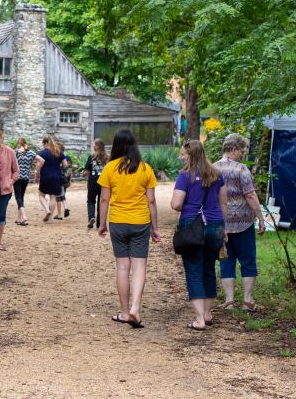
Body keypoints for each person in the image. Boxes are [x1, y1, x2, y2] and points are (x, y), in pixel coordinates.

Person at [98, 129, 159, 328]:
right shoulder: (145, 169)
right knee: (140, 266)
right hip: (141, 222)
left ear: (115, 145)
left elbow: (105, 198)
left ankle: (125, 312)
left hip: (118, 222)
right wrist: (154, 227)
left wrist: (102, 223)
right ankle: (135, 308)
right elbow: (151, 201)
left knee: (123, 267)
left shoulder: (110, 168)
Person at [171, 139, 228, 331]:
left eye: (184, 154)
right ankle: (207, 313)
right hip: (216, 225)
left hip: (192, 225)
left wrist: (189, 204)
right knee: (209, 268)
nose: (181, 157)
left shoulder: (185, 176)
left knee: (194, 270)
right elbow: (223, 203)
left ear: (191, 155)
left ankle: (199, 319)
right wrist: (224, 229)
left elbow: (176, 204)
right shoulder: (217, 175)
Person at [215, 133, 266, 312]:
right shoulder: (241, 169)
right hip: (243, 223)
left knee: (226, 260)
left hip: (221, 223)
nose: (243, 154)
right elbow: (250, 195)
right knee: (248, 260)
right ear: (234, 149)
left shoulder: (212, 168)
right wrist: (260, 218)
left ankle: (229, 300)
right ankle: (247, 300)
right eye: (242, 150)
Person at [35, 136, 66, 222]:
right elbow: (65, 165)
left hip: (45, 177)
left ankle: (47, 210)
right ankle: (50, 219)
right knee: (53, 197)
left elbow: (38, 165)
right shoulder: (58, 152)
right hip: (56, 177)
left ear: (45, 143)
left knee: (41, 195)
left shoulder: (42, 152)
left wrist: (36, 173)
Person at [84, 139, 109, 229]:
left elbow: (86, 172)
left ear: (97, 146)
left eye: (93, 144)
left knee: (91, 201)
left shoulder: (91, 157)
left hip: (93, 182)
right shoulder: (107, 158)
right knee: (101, 202)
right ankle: (99, 223)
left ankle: (91, 217)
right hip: (104, 183)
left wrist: (84, 173)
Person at [14, 138, 37, 226]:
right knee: (21, 196)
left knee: (18, 197)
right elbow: (42, 160)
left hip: (17, 177)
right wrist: (35, 171)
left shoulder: (15, 152)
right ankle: (19, 218)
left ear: (19, 143)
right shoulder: (31, 153)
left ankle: (23, 216)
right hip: (26, 178)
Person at [56, 141, 73, 219]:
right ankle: (65, 208)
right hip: (65, 180)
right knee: (62, 196)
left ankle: (59, 214)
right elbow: (70, 171)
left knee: (58, 197)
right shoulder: (67, 157)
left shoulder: (59, 157)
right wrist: (69, 181)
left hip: (59, 179)